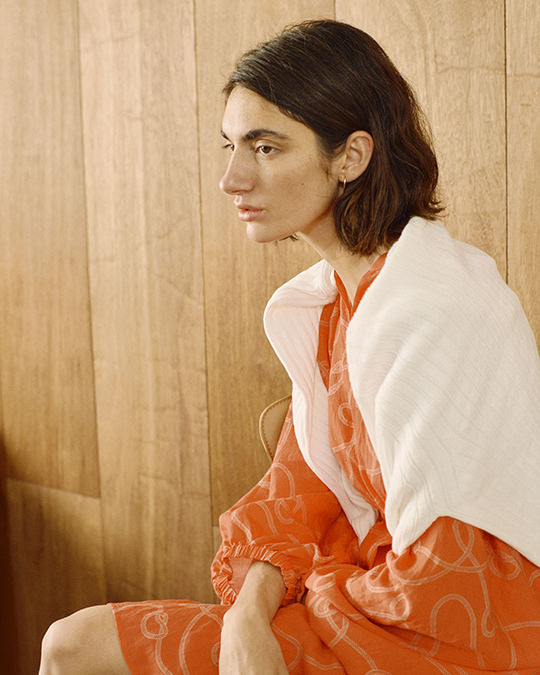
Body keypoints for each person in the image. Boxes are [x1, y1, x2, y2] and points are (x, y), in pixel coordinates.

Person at [39, 19, 540, 674]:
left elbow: (451, 580)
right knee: (69, 643)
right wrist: (248, 618)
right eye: (231, 146)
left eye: (266, 147)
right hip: (377, 595)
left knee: (76, 649)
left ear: (350, 157)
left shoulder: (434, 308)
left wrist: (301, 605)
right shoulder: (335, 302)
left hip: (455, 629)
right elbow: (297, 494)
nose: (232, 178)